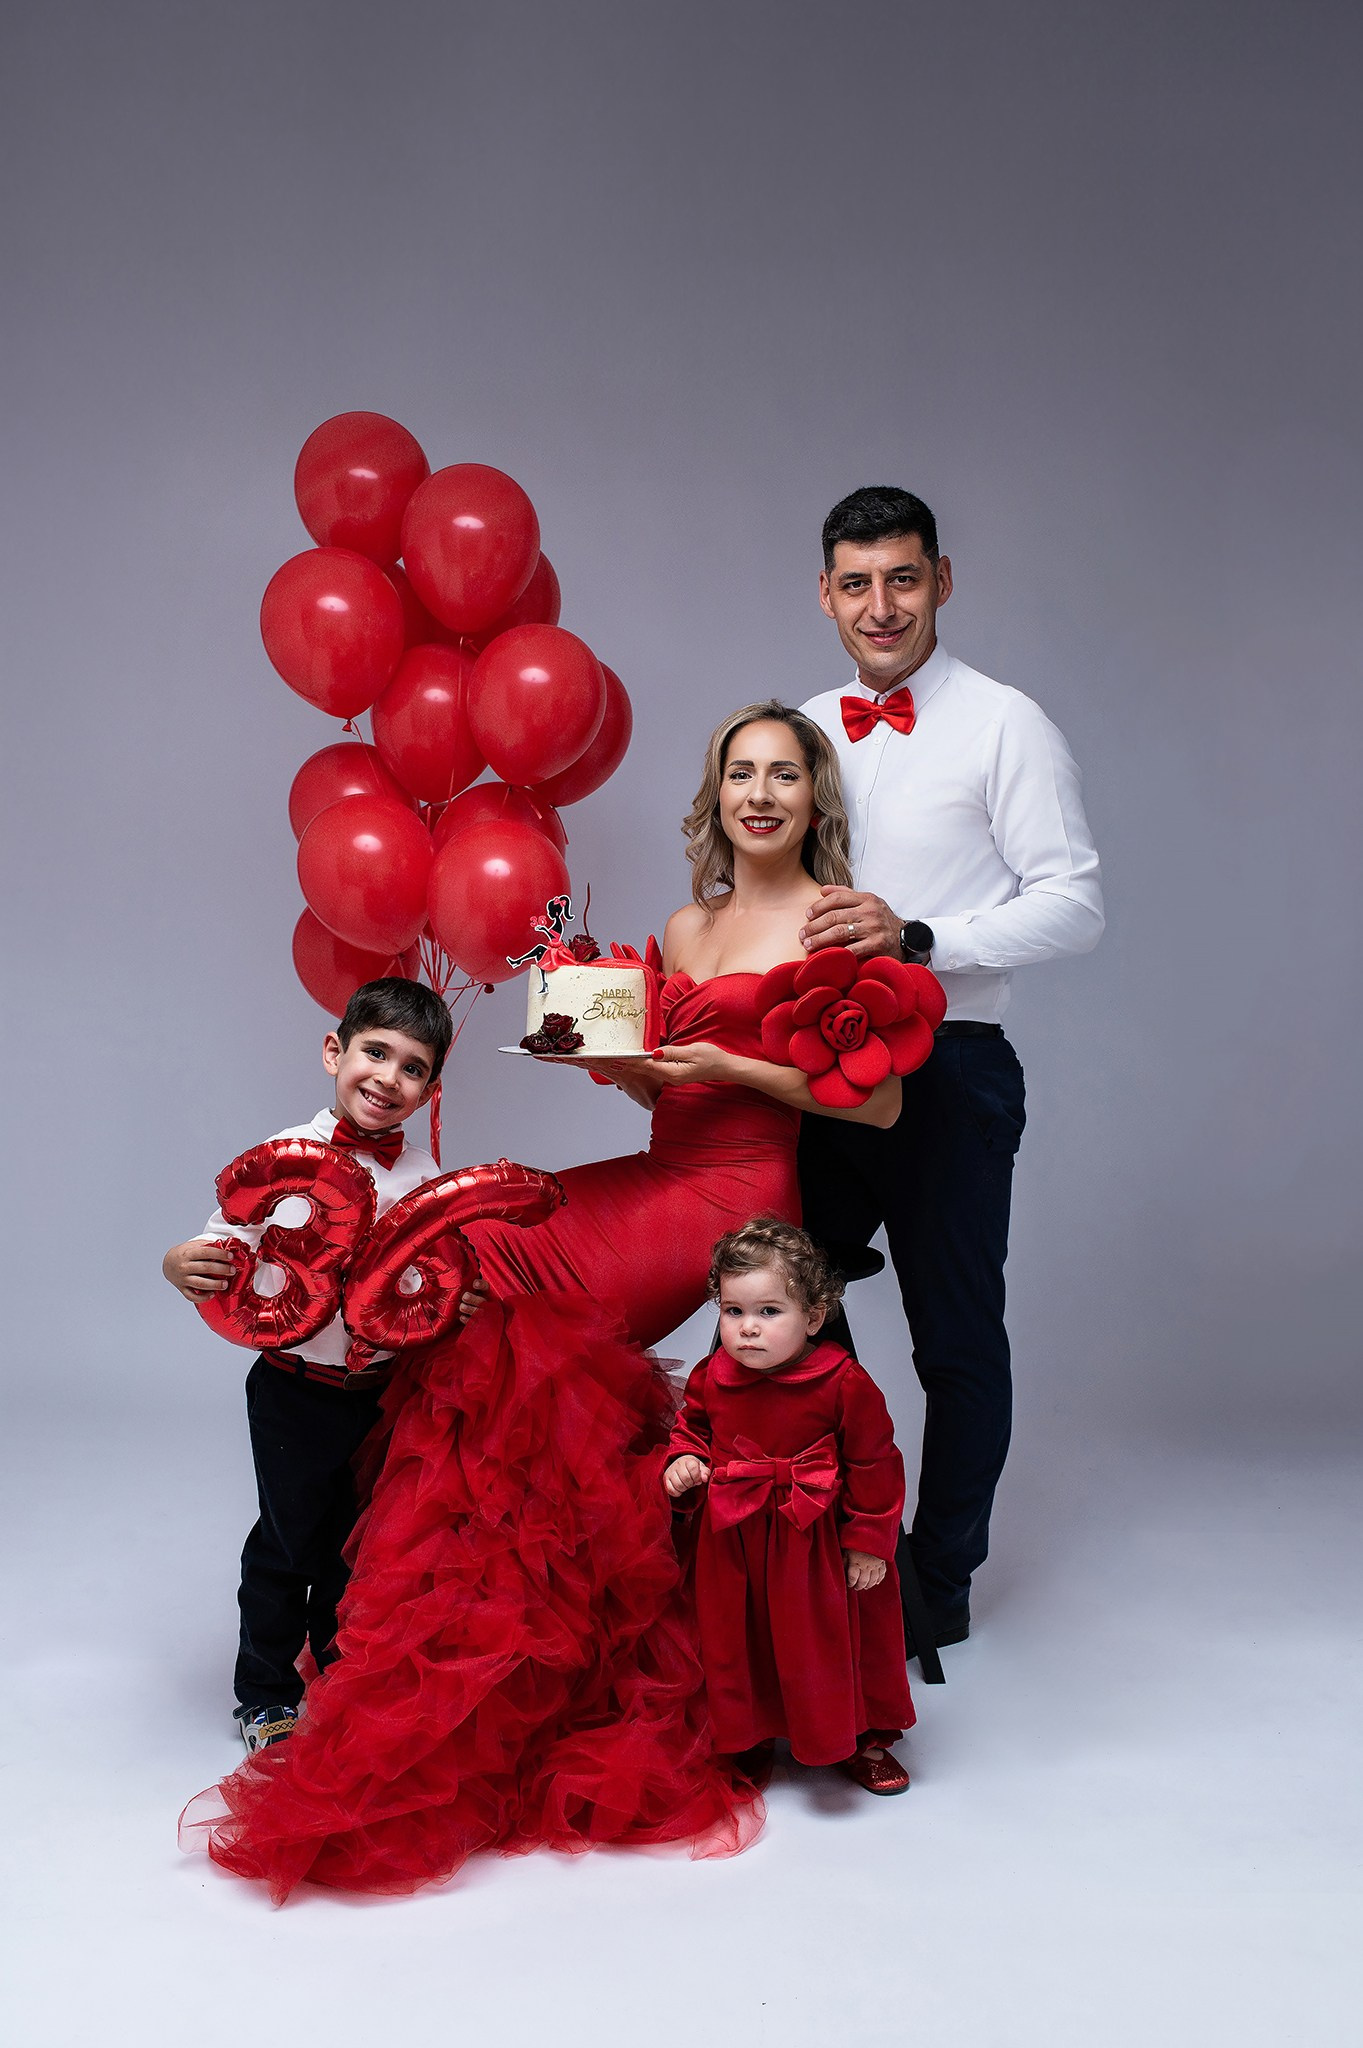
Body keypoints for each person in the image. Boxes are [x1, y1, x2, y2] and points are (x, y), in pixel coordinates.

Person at [184, 702, 908, 1901]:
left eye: (783, 774)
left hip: (731, 1192)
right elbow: (661, 1093)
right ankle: (429, 1632)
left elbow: (875, 1103)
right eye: (740, 772)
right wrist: (615, 1062)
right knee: (474, 1249)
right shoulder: (684, 924)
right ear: (717, 795)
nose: (759, 793)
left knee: (503, 1301)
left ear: (813, 797)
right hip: (665, 1160)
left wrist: (722, 1064)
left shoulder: (838, 923)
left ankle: (472, 1653)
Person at [797, 486, 1104, 1656]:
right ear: (825, 594)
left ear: (941, 580)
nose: (881, 606)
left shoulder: (1004, 723)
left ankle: (938, 1579)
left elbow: (1073, 906)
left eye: (902, 578)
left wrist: (919, 935)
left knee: (956, 1339)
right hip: (816, 1071)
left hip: (949, 1067)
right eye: (857, 582)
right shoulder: (802, 727)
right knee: (785, 1309)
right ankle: (831, 1542)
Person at [162, 977, 456, 1753]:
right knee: (288, 1542)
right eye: (375, 1053)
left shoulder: (424, 1177)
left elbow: (432, 1277)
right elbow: (223, 1245)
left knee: (355, 1545)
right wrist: (177, 1261)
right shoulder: (283, 1158)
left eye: (413, 1067)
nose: (388, 1078)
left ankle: (337, 1677)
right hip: (294, 1391)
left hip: (383, 1394)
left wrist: (458, 1301)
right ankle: (265, 1695)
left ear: (431, 1089)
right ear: (334, 1052)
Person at [665, 1218, 914, 1795]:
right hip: (735, 1541)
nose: (748, 1328)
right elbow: (691, 1429)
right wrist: (684, 1460)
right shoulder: (712, 1376)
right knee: (739, 1640)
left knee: (823, 1644)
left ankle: (859, 1737)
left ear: (813, 1318)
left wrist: (867, 1543)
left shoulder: (843, 1382)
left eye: (770, 1312)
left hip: (815, 1545)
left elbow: (876, 1464)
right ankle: (746, 1735)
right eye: (733, 1311)